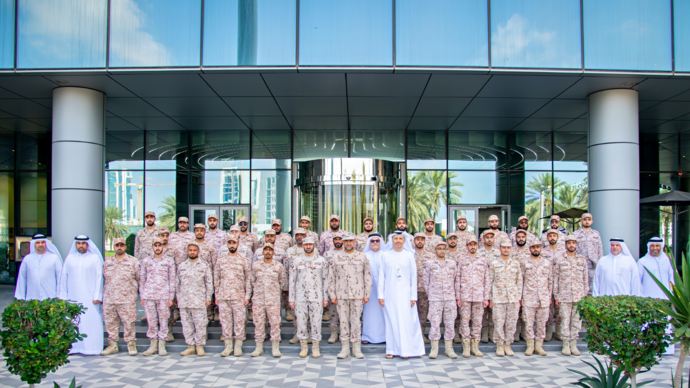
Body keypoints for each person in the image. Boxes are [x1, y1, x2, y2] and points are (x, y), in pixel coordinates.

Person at [378, 231, 425, 359]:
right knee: (391, 321)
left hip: (406, 295)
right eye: (396, 238)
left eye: (400, 238)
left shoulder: (409, 256)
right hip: (390, 294)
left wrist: (413, 296)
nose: (398, 240)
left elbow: (413, 277)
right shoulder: (385, 255)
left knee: (406, 322)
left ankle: (406, 350)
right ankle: (391, 349)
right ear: (392, 240)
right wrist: (380, 295)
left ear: (404, 241)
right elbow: (382, 276)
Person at [58, 235, 104, 356]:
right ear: (75, 245)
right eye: (78, 243)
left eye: (83, 243)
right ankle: (74, 347)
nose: (81, 246)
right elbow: (64, 277)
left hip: (90, 298)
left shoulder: (95, 258)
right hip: (72, 297)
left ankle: (92, 348)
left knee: (91, 321)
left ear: (87, 244)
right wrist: (63, 296)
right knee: (73, 321)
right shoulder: (69, 258)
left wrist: (97, 296)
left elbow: (99, 277)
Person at [328, 235, 372, 359]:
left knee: (356, 322)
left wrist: (367, 294)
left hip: (357, 294)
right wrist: (332, 294)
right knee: (343, 321)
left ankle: (356, 349)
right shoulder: (336, 257)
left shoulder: (362, 256)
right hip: (341, 294)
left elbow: (367, 276)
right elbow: (331, 277)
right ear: (342, 242)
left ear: (354, 241)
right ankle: (345, 348)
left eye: (350, 241)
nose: (348, 243)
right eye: (346, 241)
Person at [289, 237, 329, 358]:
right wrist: (291, 298)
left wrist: (325, 297)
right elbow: (292, 280)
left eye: (310, 244)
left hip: (316, 296)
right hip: (300, 297)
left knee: (316, 322)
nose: (308, 246)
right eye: (306, 244)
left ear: (314, 245)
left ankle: (315, 347)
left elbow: (325, 280)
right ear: (303, 245)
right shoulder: (296, 260)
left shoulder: (321, 261)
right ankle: (304, 346)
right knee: (301, 322)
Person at [101, 238, 140, 356]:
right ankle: (112, 344)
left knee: (129, 322)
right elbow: (104, 278)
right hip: (110, 298)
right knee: (110, 322)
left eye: (121, 245)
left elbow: (139, 278)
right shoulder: (107, 262)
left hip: (127, 298)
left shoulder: (133, 261)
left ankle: (131, 343)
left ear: (125, 246)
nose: (119, 247)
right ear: (114, 247)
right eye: (117, 245)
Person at [214, 235, 251, 357]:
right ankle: (228, 346)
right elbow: (217, 279)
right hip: (224, 296)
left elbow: (248, 280)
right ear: (227, 245)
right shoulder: (220, 261)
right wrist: (217, 295)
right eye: (229, 243)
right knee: (225, 322)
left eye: (234, 243)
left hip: (238, 296)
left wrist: (247, 296)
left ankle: (238, 346)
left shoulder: (244, 261)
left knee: (239, 322)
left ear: (237, 244)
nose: (232, 245)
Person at [638, 236, 676, 355]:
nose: (655, 248)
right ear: (649, 247)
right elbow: (637, 280)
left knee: (665, 323)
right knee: (647, 323)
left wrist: (672, 296)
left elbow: (671, 279)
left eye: (657, 246)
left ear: (661, 247)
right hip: (647, 299)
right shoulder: (642, 261)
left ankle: (666, 349)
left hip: (664, 299)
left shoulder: (667, 261)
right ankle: (647, 347)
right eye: (652, 246)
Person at [139, 238, 176, 356]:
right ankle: (153, 345)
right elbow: (142, 279)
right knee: (151, 320)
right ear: (152, 247)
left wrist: (171, 297)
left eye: (159, 245)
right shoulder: (146, 261)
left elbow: (172, 280)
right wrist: (142, 296)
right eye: (155, 245)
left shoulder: (169, 261)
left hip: (163, 295)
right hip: (149, 295)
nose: (158, 247)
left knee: (164, 319)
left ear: (162, 247)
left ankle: (162, 345)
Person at [455, 234, 490, 358]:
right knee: (464, 321)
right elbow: (457, 279)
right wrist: (458, 297)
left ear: (477, 246)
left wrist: (486, 297)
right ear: (466, 246)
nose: (473, 246)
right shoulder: (461, 260)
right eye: (470, 244)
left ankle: (475, 346)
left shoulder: (483, 260)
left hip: (479, 296)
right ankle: (466, 346)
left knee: (477, 321)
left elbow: (487, 279)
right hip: (465, 296)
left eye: (474, 244)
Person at [553, 235, 588, 357]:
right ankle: (566, 344)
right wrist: (556, 296)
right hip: (564, 296)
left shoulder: (582, 260)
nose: (571, 245)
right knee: (565, 320)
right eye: (569, 243)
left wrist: (584, 295)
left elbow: (585, 280)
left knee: (577, 321)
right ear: (566, 245)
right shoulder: (560, 259)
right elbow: (555, 278)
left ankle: (574, 343)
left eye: (573, 243)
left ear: (576, 245)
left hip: (578, 296)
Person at [177, 243, 213, 357]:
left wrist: (208, 298)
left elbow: (209, 283)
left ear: (198, 251)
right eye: (190, 250)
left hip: (199, 301)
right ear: (187, 251)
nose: (192, 252)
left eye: (194, 250)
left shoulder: (204, 265)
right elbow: (177, 284)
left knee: (200, 324)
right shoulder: (182, 266)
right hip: (184, 300)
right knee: (186, 325)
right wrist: (178, 298)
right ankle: (190, 346)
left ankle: (200, 346)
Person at [423, 241, 458, 359]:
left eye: (444, 249)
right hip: (435, 299)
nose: (442, 250)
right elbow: (425, 281)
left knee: (450, 323)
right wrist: (432, 294)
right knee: (434, 323)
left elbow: (455, 280)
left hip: (450, 298)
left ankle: (449, 348)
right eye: (439, 248)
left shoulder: (452, 263)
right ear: (435, 250)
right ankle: (434, 349)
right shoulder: (429, 263)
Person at [250, 243, 286, 357]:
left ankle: (275, 347)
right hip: (259, 300)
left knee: (275, 323)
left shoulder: (278, 266)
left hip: (273, 300)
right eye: (266, 250)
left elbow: (282, 282)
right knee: (259, 323)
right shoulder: (256, 266)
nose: (268, 252)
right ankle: (258, 347)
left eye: (270, 250)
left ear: (273, 252)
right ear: (262, 252)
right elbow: (252, 281)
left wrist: (274, 292)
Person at [489, 241, 522, 358]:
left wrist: (519, 297)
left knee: (511, 322)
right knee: (498, 322)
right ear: (500, 248)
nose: (506, 250)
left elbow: (519, 281)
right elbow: (490, 281)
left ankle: (508, 344)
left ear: (511, 249)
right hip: (498, 297)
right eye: (504, 247)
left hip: (513, 297)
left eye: (508, 248)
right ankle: (499, 344)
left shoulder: (515, 264)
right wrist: (490, 299)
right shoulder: (494, 264)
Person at [521, 240, 552, 357]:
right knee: (528, 323)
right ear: (529, 249)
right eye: (533, 247)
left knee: (541, 323)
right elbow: (521, 281)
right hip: (529, 297)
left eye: (538, 247)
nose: (535, 249)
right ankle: (530, 346)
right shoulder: (524, 263)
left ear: (541, 249)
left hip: (543, 298)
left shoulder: (547, 263)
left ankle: (539, 345)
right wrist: (521, 298)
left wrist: (549, 296)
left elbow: (551, 281)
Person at [14, 234, 62, 300]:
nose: (40, 245)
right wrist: (20, 298)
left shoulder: (54, 258)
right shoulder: (27, 259)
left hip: (51, 298)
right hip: (32, 298)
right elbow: (22, 279)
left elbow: (60, 278)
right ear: (34, 244)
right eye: (37, 242)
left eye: (42, 242)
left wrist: (59, 295)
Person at [540, 229, 566, 342]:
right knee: (548, 310)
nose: (552, 238)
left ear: (558, 238)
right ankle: (549, 332)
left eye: (554, 236)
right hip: (546, 283)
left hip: (561, 283)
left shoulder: (563, 252)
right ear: (547, 238)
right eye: (550, 236)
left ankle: (559, 332)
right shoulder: (543, 252)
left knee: (559, 309)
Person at [362, 234, 386, 344]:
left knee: (383, 312)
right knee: (369, 313)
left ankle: (384, 336)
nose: (375, 243)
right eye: (372, 241)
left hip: (384, 290)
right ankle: (367, 336)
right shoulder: (364, 256)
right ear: (369, 243)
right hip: (369, 291)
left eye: (377, 241)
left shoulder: (385, 255)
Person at [572, 213, 604, 295]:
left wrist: (601, 264)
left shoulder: (596, 234)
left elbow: (600, 249)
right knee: (580, 288)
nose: (587, 222)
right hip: (580, 265)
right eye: (585, 220)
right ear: (581, 221)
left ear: (592, 221)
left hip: (593, 266)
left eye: (589, 220)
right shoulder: (575, 234)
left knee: (593, 288)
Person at [412, 233, 435, 344]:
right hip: (412, 290)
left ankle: (421, 335)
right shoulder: (409, 254)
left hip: (425, 290)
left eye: (422, 239)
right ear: (414, 241)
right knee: (411, 313)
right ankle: (412, 336)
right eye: (417, 239)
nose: (420, 241)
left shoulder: (430, 255)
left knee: (423, 313)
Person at [510, 229, 532, 342]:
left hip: (529, 284)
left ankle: (525, 333)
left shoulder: (531, 251)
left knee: (526, 310)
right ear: (515, 238)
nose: (521, 239)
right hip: (514, 283)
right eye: (519, 237)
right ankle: (515, 333)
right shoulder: (511, 251)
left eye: (523, 237)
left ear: (526, 238)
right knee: (515, 310)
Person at [479, 229, 500, 343]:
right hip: (481, 285)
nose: (489, 239)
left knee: (494, 312)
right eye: (487, 237)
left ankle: (492, 333)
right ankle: (484, 333)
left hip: (495, 285)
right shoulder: (478, 252)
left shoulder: (498, 253)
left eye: (491, 237)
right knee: (482, 312)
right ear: (483, 239)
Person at [322, 233, 344, 343]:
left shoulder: (348, 253)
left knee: (345, 312)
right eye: (336, 239)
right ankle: (333, 332)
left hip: (345, 287)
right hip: (332, 286)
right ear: (333, 241)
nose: (338, 241)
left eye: (340, 239)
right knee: (333, 311)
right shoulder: (327, 254)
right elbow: (325, 272)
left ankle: (344, 333)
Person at [285, 228, 307, 324]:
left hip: (307, 285)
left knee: (308, 312)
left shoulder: (310, 250)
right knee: (295, 311)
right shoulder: (289, 251)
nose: (299, 237)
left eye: (301, 235)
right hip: (294, 284)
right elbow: (286, 269)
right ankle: (296, 333)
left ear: (305, 236)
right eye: (297, 235)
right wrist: (286, 286)